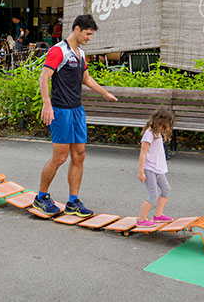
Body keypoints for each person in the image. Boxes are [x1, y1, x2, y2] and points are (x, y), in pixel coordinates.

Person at [32, 14, 118, 217]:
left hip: (77, 110)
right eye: (88, 34)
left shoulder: (81, 53)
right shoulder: (58, 51)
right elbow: (44, 78)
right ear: (77, 29)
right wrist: (47, 105)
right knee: (59, 157)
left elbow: (85, 78)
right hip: (61, 111)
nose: (90, 38)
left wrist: (104, 92)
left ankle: (73, 202)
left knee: (79, 155)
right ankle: (41, 198)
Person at [136, 106, 175, 227]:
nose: (166, 128)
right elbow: (143, 153)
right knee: (153, 194)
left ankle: (158, 216)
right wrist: (141, 172)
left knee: (166, 190)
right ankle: (141, 220)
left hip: (158, 169)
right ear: (159, 122)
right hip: (149, 169)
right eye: (165, 125)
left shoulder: (157, 133)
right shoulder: (149, 134)